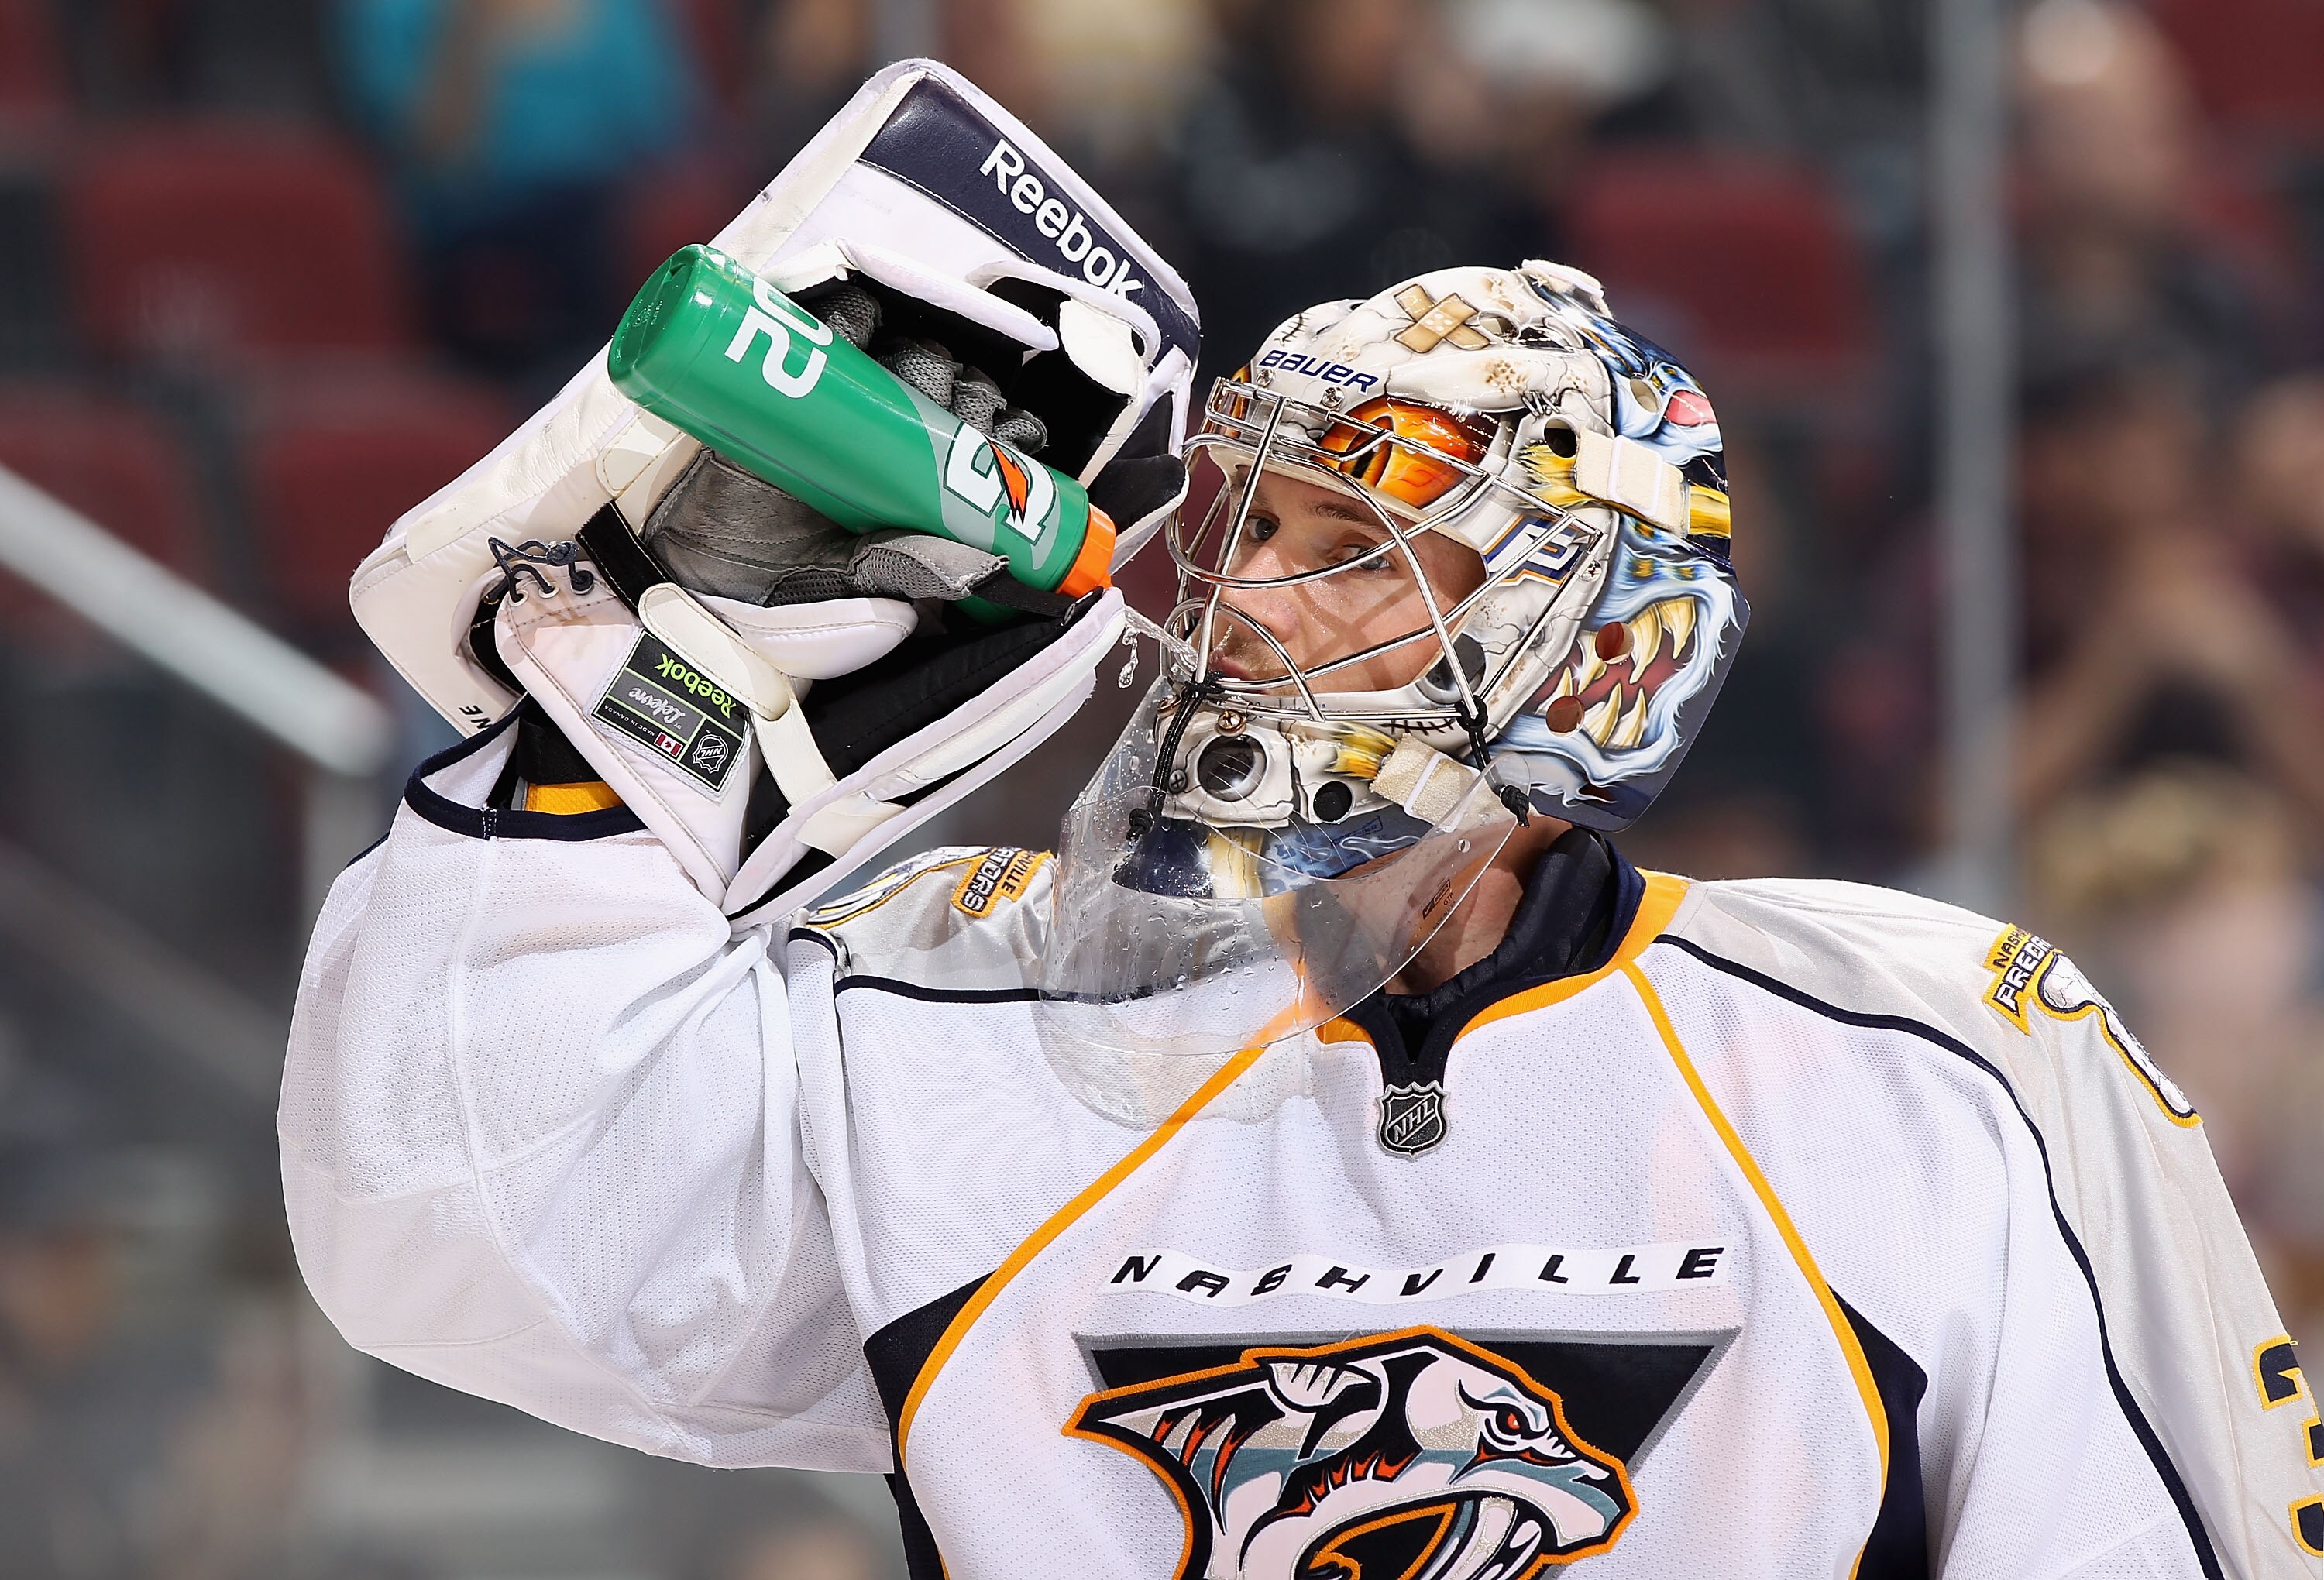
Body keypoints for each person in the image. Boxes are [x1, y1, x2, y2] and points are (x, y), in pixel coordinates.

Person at [281, 241, 2324, 1580]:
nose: (1243, 601)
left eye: (1354, 548)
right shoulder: (965, 998)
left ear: (1579, 639)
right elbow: (454, 1232)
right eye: (1248, 523)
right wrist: (651, 716)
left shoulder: (1933, 1052)